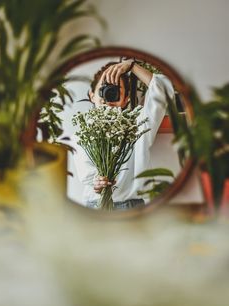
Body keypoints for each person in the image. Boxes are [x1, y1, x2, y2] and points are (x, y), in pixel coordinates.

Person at [72, 59, 175, 210]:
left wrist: (132, 66)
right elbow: (88, 176)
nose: (108, 96)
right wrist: (97, 182)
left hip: (131, 207)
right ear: (91, 95)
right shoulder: (82, 131)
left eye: (115, 91)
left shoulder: (139, 125)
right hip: (94, 207)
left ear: (125, 99)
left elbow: (164, 89)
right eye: (104, 89)